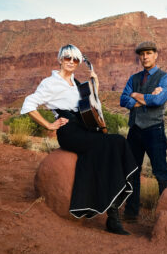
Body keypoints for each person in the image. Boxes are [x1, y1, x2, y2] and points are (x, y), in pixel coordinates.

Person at [21, 44, 137, 235]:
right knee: (109, 144)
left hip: (85, 127)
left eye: (76, 59)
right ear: (60, 59)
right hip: (69, 132)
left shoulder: (77, 84)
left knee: (117, 141)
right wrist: (49, 125)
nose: (71, 62)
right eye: (67, 58)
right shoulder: (50, 83)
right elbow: (29, 103)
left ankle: (112, 212)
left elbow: (92, 108)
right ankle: (112, 216)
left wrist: (95, 85)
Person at [119, 41, 167, 222]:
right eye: (142, 54)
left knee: (160, 173)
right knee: (132, 172)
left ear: (155, 55)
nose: (145, 57)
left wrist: (136, 95)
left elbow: (159, 101)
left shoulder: (165, 78)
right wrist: (145, 98)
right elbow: (123, 100)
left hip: (154, 130)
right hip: (135, 130)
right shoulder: (133, 78)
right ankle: (131, 212)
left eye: (149, 53)